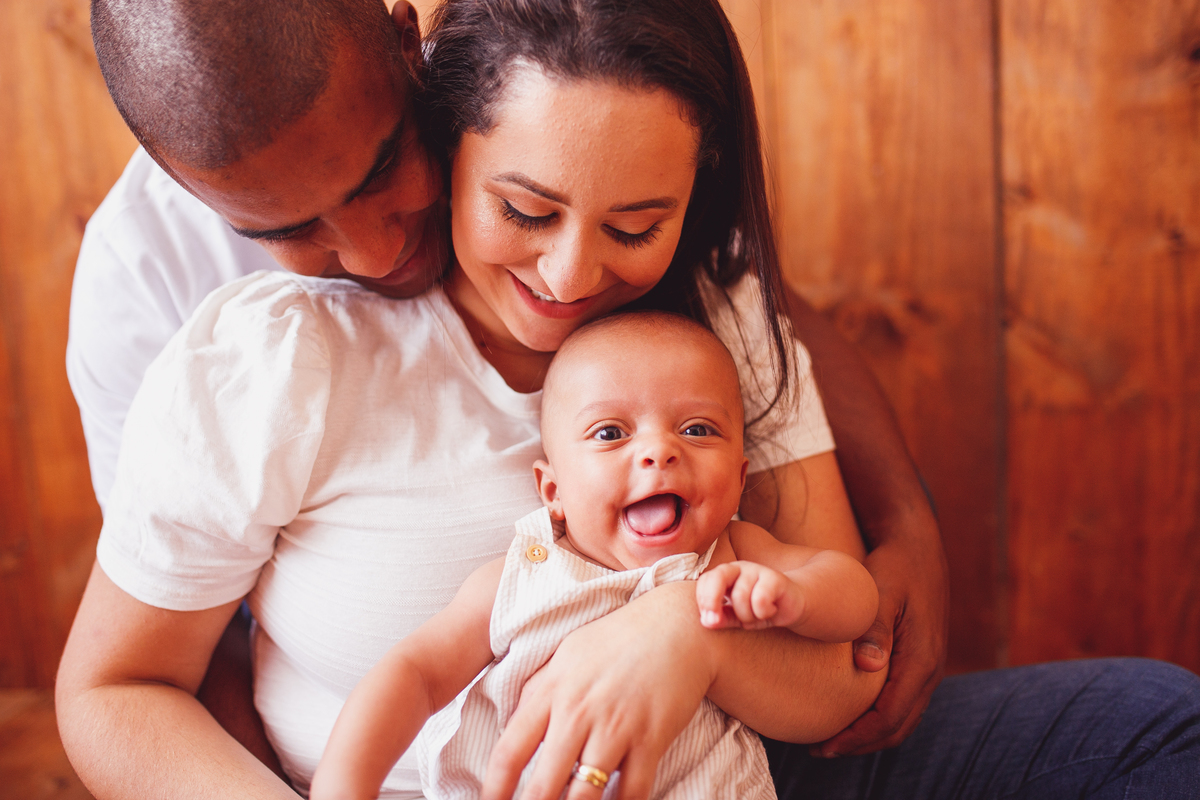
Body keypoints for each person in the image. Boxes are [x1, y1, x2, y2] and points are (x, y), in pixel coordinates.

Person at [58, 1, 1200, 799]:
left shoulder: (701, 314)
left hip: (737, 769)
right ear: (463, 140)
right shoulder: (265, 352)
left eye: (636, 225)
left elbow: (840, 650)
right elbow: (133, 678)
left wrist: (687, 635)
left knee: (1157, 726)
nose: (568, 275)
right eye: (524, 210)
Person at [309, 312, 880, 800]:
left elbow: (855, 599)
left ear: (738, 477)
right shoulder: (521, 578)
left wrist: (798, 598)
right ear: (552, 491)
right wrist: (344, 787)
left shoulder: (732, 556)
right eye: (610, 433)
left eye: (697, 429)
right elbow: (414, 674)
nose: (659, 450)